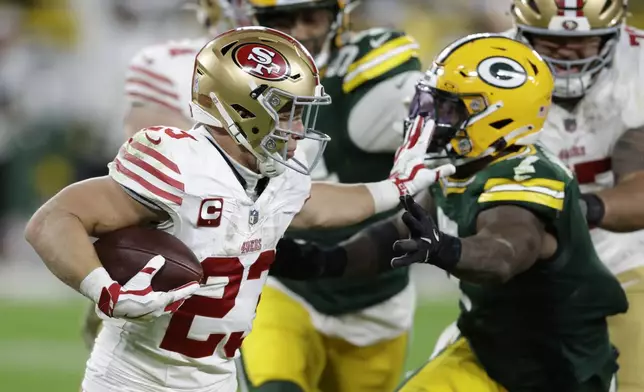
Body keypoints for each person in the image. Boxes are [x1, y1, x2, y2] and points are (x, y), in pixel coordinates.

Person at [24, 27, 452, 392]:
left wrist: (396, 187)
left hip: (215, 379)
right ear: (244, 107)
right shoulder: (180, 162)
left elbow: (320, 208)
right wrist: (105, 290)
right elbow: (53, 221)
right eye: (288, 111)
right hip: (134, 378)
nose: (299, 130)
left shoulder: (277, 176)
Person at [276, 33, 629, 391]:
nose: (428, 117)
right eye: (431, 102)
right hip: (485, 352)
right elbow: (400, 234)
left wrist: (445, 249)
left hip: (561, 373)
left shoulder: (527, 174)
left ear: (498, 116)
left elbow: (505, 252)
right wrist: (324, 262)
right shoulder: (462, 165)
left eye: (448, 107)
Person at [433, 2, 644, 391]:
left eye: (583, 41)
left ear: (615, 31)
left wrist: (572, 210)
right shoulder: (484, 70)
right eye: (551, 39)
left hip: (623, 257)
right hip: (523, 270)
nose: (566, 53)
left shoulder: (639, 66)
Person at [235, 2, 424, 391]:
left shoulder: (374, 64)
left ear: (338, 16)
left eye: (312, 17)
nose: (299, 32)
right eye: (282, 20)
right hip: (283, 282)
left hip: (376, 297)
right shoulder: (238, 76)